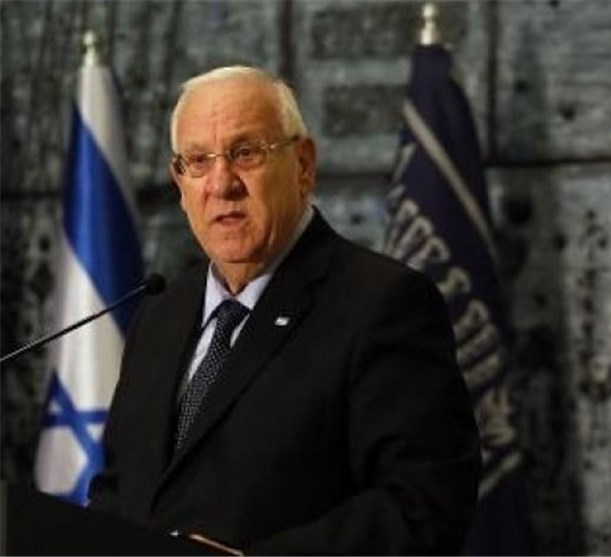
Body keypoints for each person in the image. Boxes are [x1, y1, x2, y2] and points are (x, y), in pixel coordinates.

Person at [88, 65, 481, 555]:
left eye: (245, 153)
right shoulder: (159, 316)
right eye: (198, 161)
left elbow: (423, 505)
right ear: (180, 182)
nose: (222, 184)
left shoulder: (383, 303)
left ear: (303, 164)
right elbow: (117, 492)